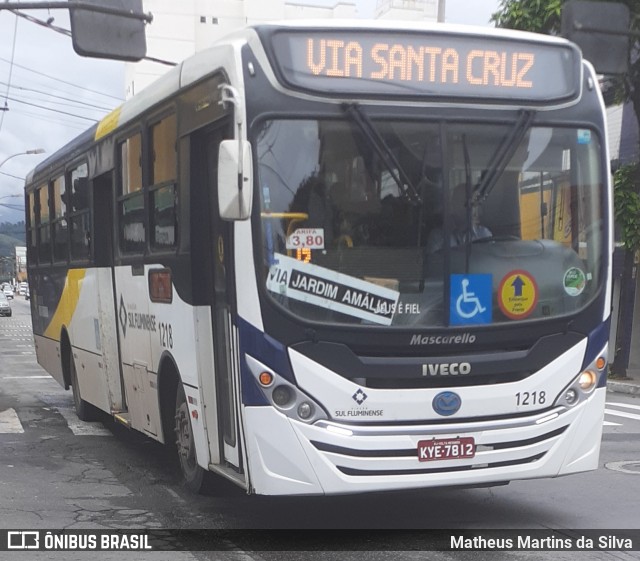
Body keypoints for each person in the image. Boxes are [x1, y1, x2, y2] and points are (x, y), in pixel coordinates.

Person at [427, 182, 492, 252]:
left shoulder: (484, 235)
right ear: (455, 206)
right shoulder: (438, 237)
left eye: (477, 204)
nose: (478, 212)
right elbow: (434, 262)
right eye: (472, 204)